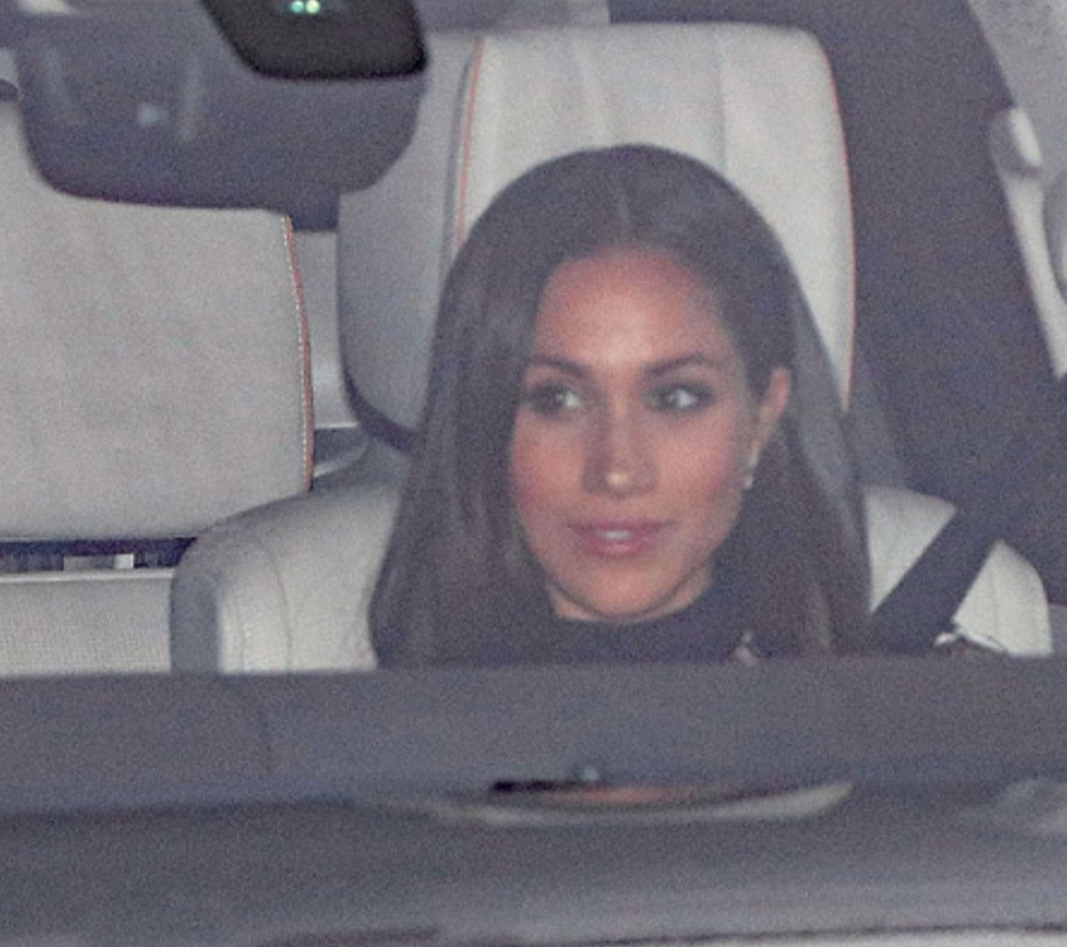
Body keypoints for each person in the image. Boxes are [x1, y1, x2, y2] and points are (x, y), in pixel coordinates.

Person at [369, 145, 869, 666]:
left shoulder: (889, 702)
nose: (617, 470)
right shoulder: (362, 711)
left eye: (675, 398)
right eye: (557, 400)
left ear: (763, 416)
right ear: (482, 420)